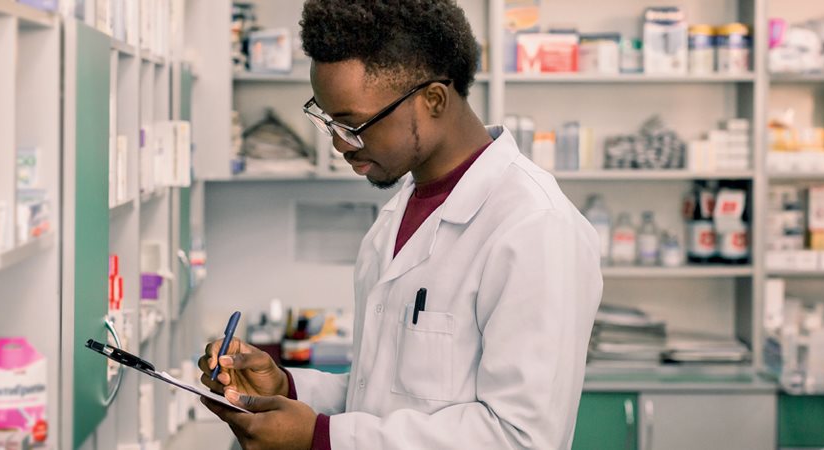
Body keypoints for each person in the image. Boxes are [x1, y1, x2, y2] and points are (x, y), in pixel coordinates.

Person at [197, 1, 603, 448]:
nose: (338, 142)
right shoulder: (400, 211)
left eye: (354, 124)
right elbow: (388, 393)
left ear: (432, 100)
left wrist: (323, 439)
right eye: (327, 119)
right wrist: (288, 389)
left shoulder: (534, 227)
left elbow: (521, 437)